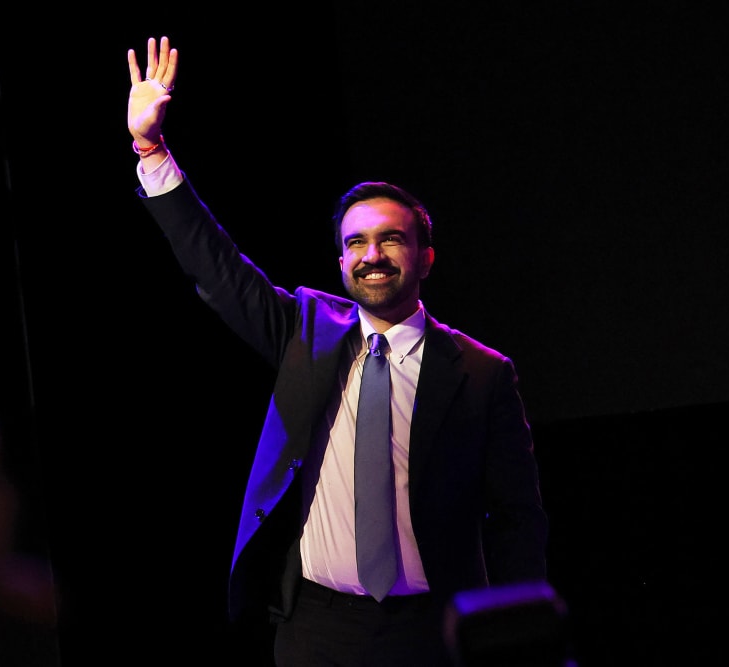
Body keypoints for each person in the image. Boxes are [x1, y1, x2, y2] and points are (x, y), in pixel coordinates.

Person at [125, 36, 548, 667]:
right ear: (341, 260)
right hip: (318, 627)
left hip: (433, 633)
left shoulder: (483, 373)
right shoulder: (306, 329)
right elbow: (217, 270)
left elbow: (518, 520)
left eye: (390, 240)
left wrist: (518, 642)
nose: (371, 255)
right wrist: (151, 149)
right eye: (356, 244)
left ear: (425, 256)